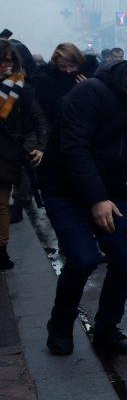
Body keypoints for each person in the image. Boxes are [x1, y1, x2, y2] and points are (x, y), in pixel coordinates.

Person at [41, 50, 127, 356]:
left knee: (125, 258)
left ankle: (106, 329)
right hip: (65, 190)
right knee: (83, 258)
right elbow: (74, 149)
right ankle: (60, 327)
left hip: (111, 191)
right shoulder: (90, 92)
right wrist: (96, 199)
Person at [0, 41, 47, 269]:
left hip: (7, 152)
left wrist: (41, 146)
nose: (4, 65)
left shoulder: (21, 88)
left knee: (1, 203)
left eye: (8, 61)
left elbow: (38, 119)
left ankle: (1, 250)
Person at [31, 43, 87, 124]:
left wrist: (88, 89)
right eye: (62, 67)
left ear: (79, 63)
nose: (68, 71)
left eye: (72, 66)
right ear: (56, 65)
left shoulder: (90, 77)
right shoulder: (46, 83)